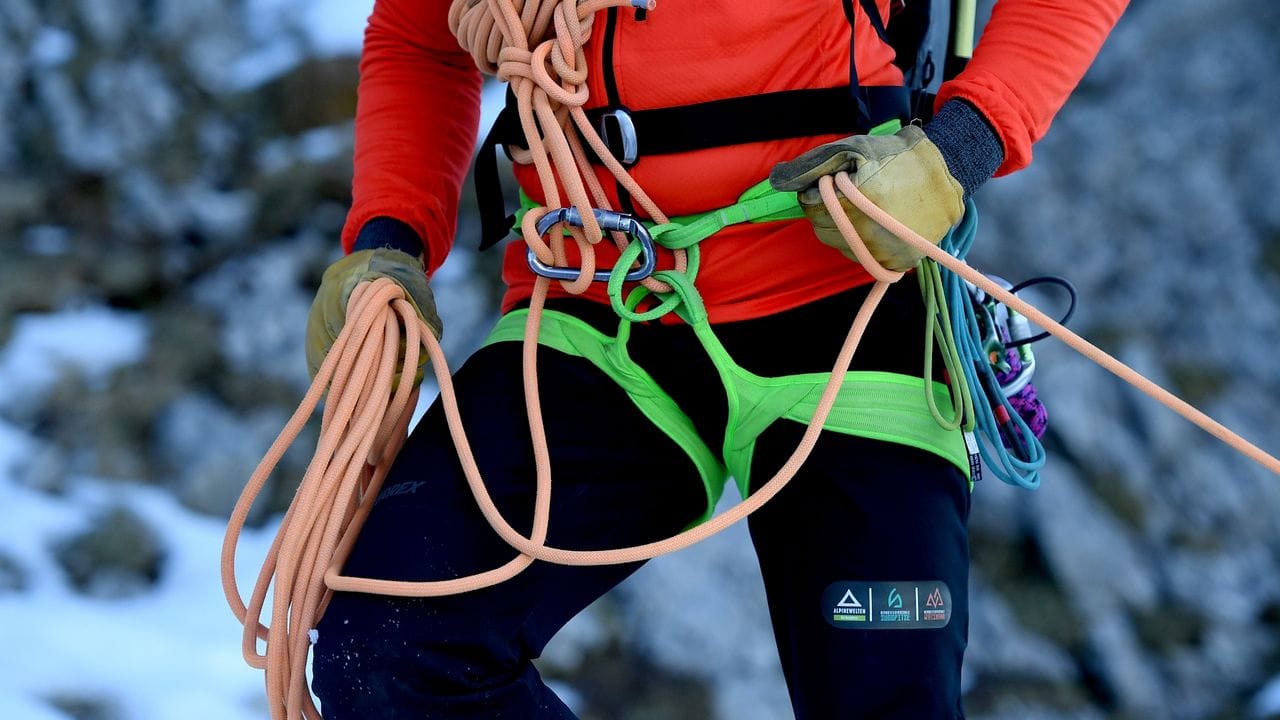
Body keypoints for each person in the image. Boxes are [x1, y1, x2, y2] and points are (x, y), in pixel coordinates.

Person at [304, 1, 1127, 717]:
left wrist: (959, 149)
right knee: (385, 654)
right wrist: (392, 239)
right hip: (599, 312)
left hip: (851, 305)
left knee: (887, 698)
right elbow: (422, 38)